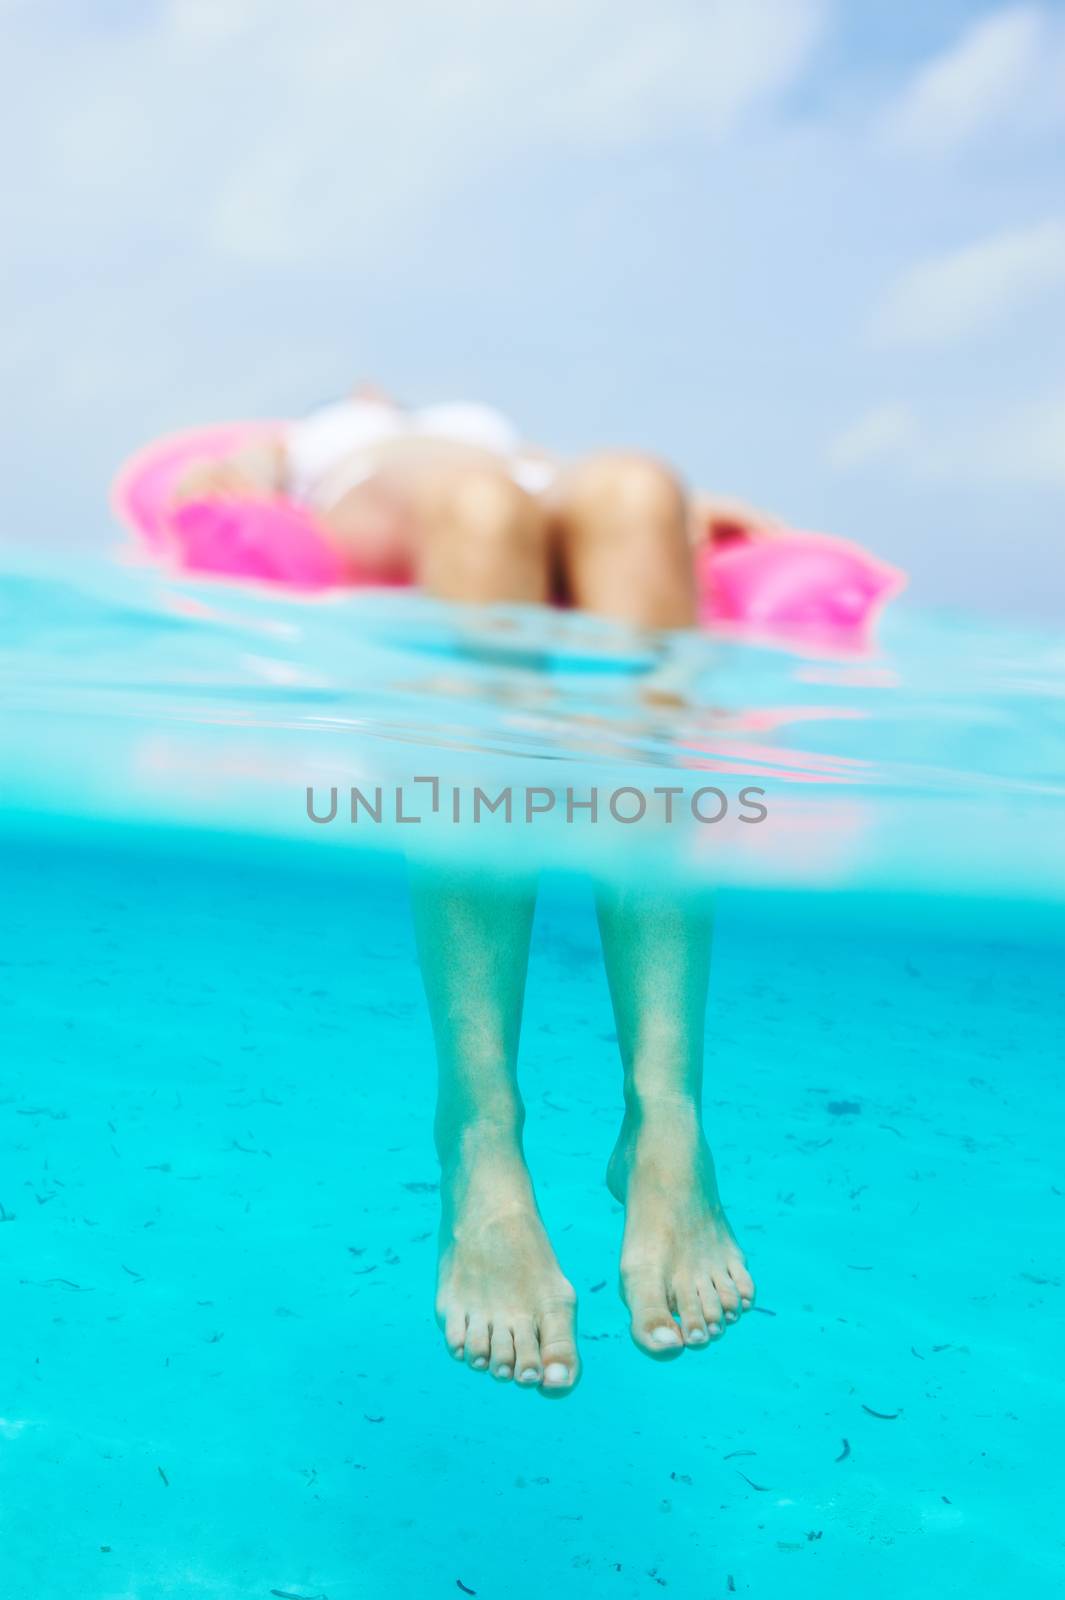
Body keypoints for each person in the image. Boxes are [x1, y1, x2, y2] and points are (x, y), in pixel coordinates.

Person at [176, 388, 758, 1394]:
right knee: (481, 502)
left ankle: (667, 1120)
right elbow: (217, 483)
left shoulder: (480, 426)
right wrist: (236, 481)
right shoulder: (319, 435)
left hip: (516, 484)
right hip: (429, 498)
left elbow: (559, 478)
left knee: (636, 486)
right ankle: (480, 1134)